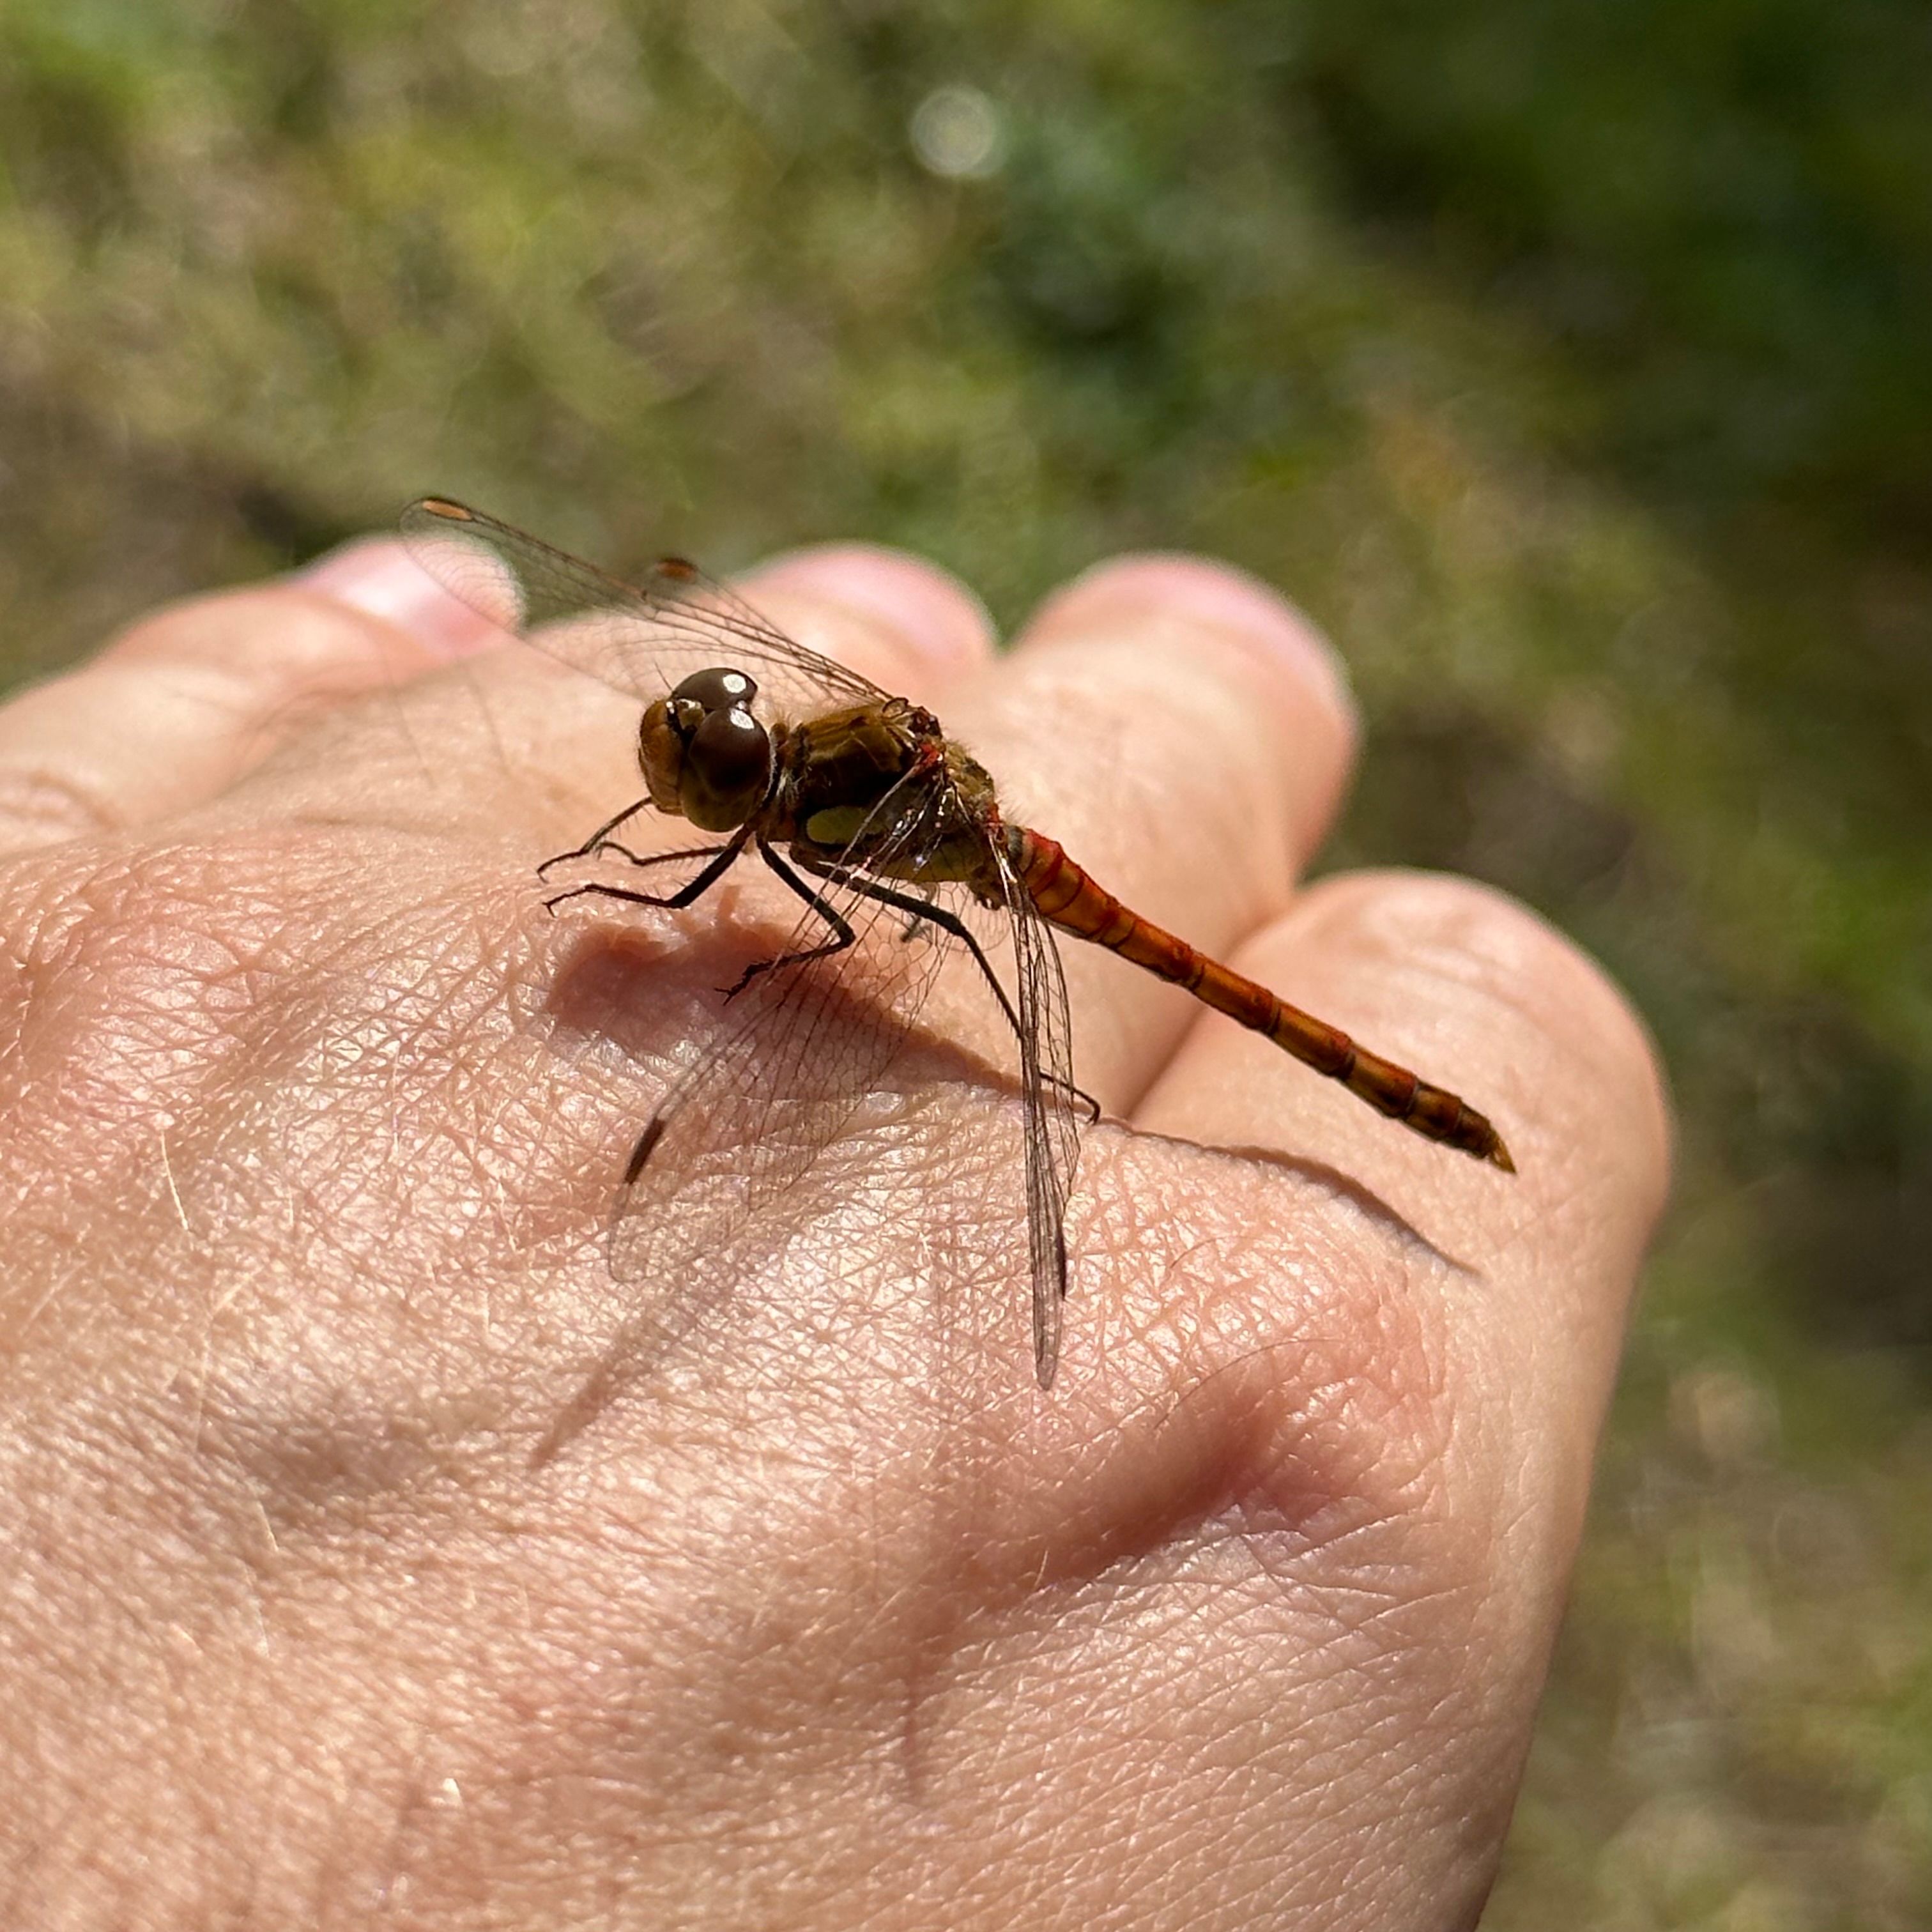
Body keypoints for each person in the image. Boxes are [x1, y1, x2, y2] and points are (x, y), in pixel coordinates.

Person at [0, 532, 1668, 1928]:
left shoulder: (859, 830)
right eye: (702, 732)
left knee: (857, 976)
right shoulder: (797, 774)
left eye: (707, 755)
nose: (687, 752)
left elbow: (801, 933)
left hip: (1036, 883)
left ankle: (1420, 1108)